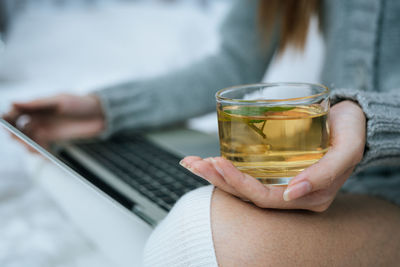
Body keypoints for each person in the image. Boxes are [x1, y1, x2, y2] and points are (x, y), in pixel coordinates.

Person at [4, 0, 400, 266]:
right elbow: (232, 64)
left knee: (192, 230)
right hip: (328, 167)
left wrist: (370, 119)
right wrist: (105, 109)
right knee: (74, 169)